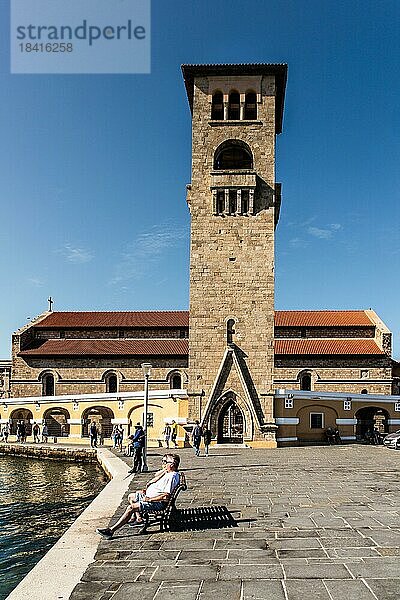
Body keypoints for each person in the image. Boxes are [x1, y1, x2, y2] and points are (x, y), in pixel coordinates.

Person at [96, 453, 181, 538]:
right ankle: (138, 518)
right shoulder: (169, 473)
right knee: (131, 496)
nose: (163, 463)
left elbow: (166, 497)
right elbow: (156, 476)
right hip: (150, 497)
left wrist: (149, 499)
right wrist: (164, 470)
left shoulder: (172, 477)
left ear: (172, 464)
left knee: (131, 507)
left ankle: (111, 531)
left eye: (165, 462)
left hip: (157, 503)